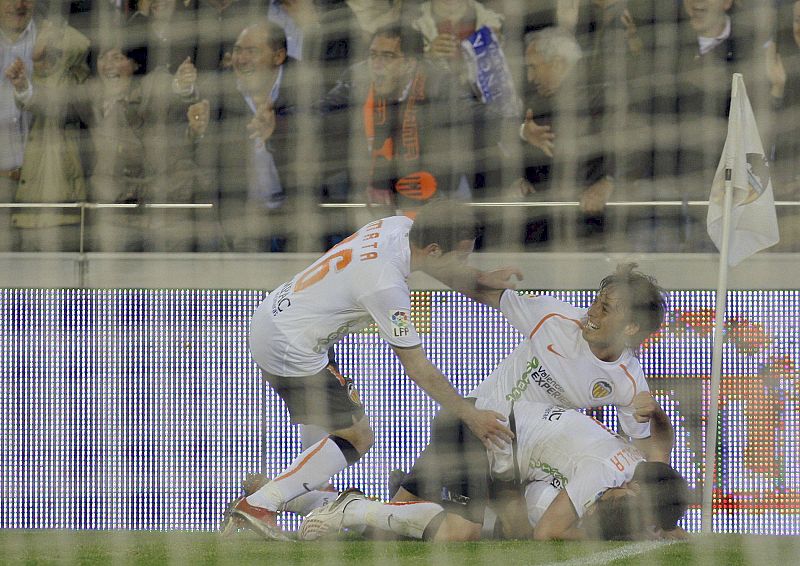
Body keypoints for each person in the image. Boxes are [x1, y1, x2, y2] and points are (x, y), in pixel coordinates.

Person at [226, 198, 516, 540]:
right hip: (290, 346)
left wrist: (477, 279)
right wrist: (470, 415)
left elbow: (435, 265)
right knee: (357, 438)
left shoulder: (396, 226)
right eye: (462, 256)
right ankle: (259, 505)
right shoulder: (385, 286)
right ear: (435, 248)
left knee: (339, 433)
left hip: (278, 319)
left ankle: (290, 499)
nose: (464, 263)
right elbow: (417, 367)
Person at [298, 398, 688, 541]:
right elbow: (549, 532)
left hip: (484, 430)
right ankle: (350, 507)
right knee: (458, 534)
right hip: (484, 434)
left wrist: (664, 528)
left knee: (380, 533)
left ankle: (309, 500)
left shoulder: (639, 467)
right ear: (634, 492)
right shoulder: (602, 472)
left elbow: (661, 442)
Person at [316, 24, 491, 213]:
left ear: (410, 64)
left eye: (388, 57)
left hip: (434, 180)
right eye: (373, 55)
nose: (376, 64)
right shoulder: (357, 79)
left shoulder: (439, 84)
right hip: (375, 182)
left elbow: (474, 117)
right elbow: (320, 110)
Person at [191, 20, 304, 251]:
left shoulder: (305, 83)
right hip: (244, 214)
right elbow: (207, 157)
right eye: (238, 50)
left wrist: (277, 130)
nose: (240, 60)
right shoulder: (219, 88)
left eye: (251, 51)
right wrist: (198, 132)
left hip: (296, 211)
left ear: (279, 56)